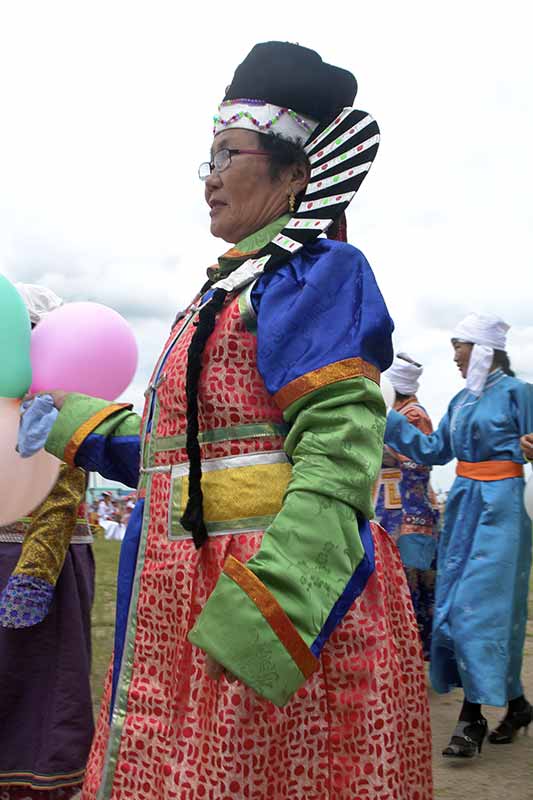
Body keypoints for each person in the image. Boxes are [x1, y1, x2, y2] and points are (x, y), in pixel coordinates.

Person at [34, 42, 432, 799]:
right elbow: (180, 453)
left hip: (260, 588)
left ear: (296, 172)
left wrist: (275, 604)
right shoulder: (220, 294)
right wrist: (60, 418)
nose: (210, 176)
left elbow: (342, 446)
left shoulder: (315, 273)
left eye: (228, 152)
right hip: (184, 588)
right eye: (205, 158)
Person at [385, 312, 533, 758]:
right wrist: (387, 419)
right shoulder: (461, 401)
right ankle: (518, 705)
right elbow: (434, 451)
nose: (453, 356)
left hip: (503, 505)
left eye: (459, 347)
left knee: (479, 610)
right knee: (452, 605)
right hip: (464, 504)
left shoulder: (519, 393)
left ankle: (471, 718)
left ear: (483, 350)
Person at [0, 286, 96, 800]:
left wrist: (35, 573)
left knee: (42, 689)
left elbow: (63, 491)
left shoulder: (58, 403)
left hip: (44, 564)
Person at [374, 353, 439, 658]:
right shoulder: (399, 412)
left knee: (407, 591)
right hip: (392, 513)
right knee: (396, 590)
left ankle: (408, 661)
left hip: (408, 518)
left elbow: (418, 461)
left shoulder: (411, 416)